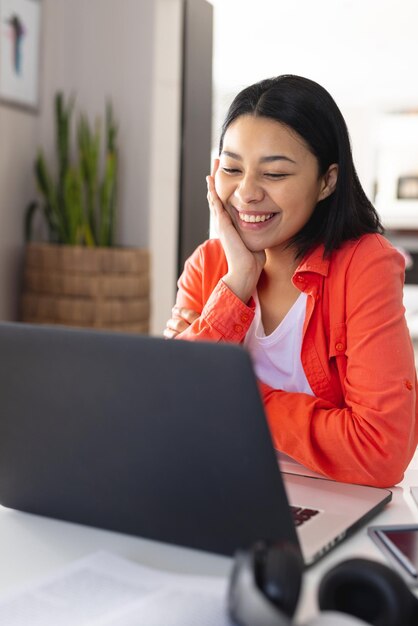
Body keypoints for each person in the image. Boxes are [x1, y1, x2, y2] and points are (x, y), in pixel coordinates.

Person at [164, 75, 418, 487]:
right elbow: (168, 407)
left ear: (327, 182)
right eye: (231, 168)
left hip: (330, 499)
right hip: (214, 484)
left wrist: (233, 398)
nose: (246, 193)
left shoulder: (365, 265)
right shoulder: (209, 266)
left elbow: (381, 450)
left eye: (275, 174)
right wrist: (239, 281)